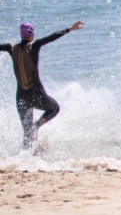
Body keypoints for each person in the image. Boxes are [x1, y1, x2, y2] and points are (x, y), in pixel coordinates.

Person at [1, 20, 84, 148]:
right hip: (36, 93)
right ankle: (37, 125)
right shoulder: (34, 45)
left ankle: (25, 159)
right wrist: (70, 28)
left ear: (21, 34)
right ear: (31, 34)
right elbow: (51, 37)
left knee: (27, 133)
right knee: (54, 108)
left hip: (21, 97)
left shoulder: (11, 47)